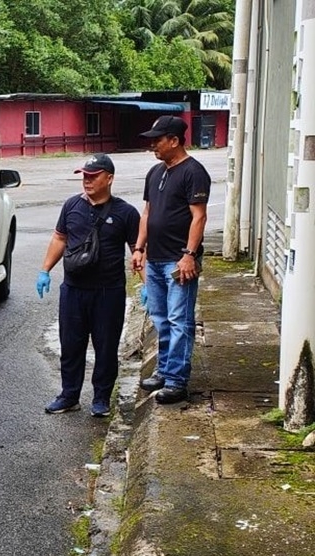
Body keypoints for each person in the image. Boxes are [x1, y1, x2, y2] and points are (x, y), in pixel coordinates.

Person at [36, 154, 141, 417]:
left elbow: (138, 251)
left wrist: (147, 283)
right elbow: (60, 238)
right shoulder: (72, 206)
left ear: (109, 178)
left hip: (109, 292)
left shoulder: (126, 213)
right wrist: (44, 270)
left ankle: (102, 398)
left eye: (93, 176)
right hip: (73, 290)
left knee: (106, 347)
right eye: (84, 176)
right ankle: (69, 395)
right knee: (71, 345)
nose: (87, 181)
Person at [131, 115, 210, 404]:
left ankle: (177, 381)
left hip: (179, 262)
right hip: (155, 259)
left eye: (158, 139)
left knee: (180, 321)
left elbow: (199, 217)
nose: (153, 144)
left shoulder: (193, 172)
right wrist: (139, 248)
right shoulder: (155, 172)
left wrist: (189, 255)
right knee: (161, 319)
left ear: (174, 140)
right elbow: (148, 213)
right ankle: (163, 371)